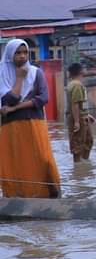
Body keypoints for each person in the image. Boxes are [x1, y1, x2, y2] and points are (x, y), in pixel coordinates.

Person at [0, 39, 61, 198]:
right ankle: (17, 198)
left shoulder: (35, 72)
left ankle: (49, 195)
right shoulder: (2, 74)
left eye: (25, 52)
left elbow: (43, 99)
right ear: (10, 55)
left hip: (35, 124)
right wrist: (19, 78)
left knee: (43, 159)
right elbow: (10, 99)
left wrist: (15, 108)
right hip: (10, 128)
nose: (22, 56)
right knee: (16, 163)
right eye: (18, 53)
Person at [66, 62, 95, 163]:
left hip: (82, 117)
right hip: (78, 119)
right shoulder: (76, 85)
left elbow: (79, 104)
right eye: (84, 68)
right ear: (80, 71)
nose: (85, 70)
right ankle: (78, 167)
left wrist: (87, 114)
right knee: (77, 145)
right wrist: (77, 121)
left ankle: (83, 165)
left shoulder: (76, 84)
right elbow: (75, 104)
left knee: (88, 142)